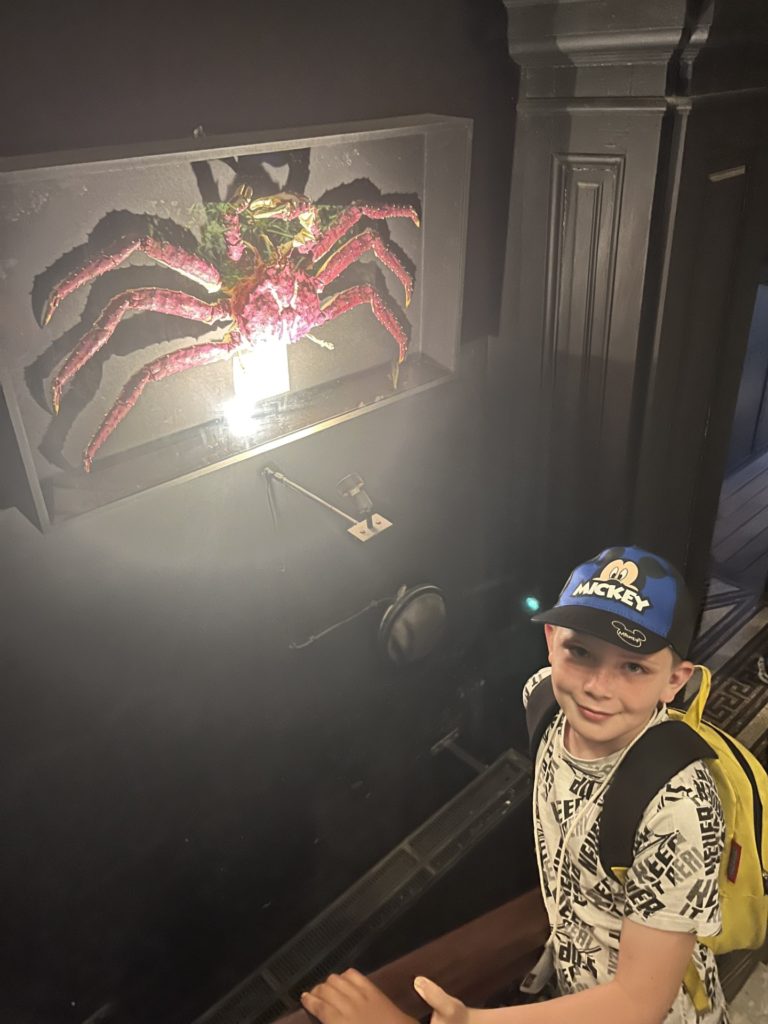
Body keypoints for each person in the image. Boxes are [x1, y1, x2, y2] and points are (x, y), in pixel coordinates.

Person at [301, 545, 729, 1024]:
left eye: (634, 666)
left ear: (674, 681)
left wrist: (469, 1021)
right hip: (575, 983)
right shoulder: (543, 701)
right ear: (551, 640)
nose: (597, 687)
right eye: (580, 652)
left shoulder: (679, 808)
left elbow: (638, 1002)